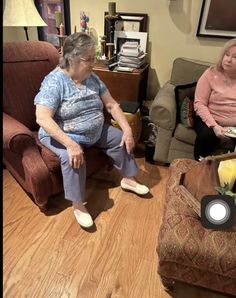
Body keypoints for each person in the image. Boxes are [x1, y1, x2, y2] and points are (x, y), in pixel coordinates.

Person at [34, 32, 149, 229]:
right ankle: (78, 204)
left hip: (93, 131)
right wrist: (70, 144)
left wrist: (128, 130)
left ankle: (128, 180)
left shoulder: (92, 78)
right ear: (71, 58)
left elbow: (111, 105)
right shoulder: (55, 82)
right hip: (62, 133)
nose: (93, 63)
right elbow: (42, 118)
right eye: (89, 59)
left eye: (93, 57)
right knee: (73, 156)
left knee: (119, 137)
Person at [194, 38, 236, 160]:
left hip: (233, 125)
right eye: (226, 55)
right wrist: (215, 126)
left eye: (235, 57)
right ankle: (200, 167)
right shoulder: (210, 74)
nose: (228, 60)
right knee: (206, 136)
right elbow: (199, 104)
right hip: (210, 120)